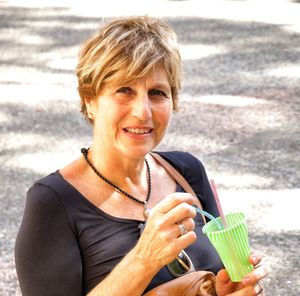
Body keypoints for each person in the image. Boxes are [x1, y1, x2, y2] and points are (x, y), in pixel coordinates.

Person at [15, 16, 268, 296]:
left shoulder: (188, 173)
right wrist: (143, 260)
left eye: (157, 93)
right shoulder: (52, 202)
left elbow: (224, 278)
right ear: (90, 99)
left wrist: (234, 290)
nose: (143, 111)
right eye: (124, 90)